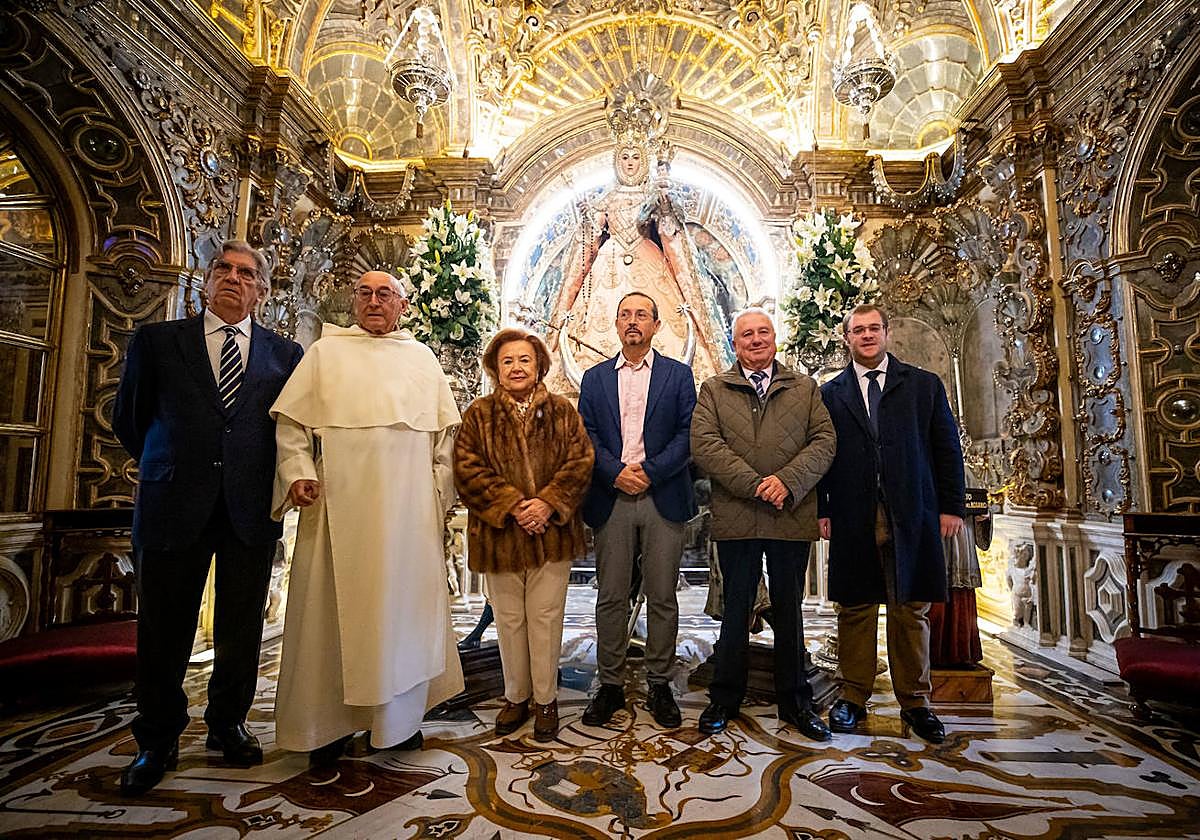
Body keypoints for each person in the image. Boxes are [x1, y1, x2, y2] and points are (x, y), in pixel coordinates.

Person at [112, 240, 303, 795]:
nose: (234, 279)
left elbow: (286, 429)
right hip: (174, 500)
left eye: (248, 274)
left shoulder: (283, 354)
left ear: (262, 291)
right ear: (205, 278)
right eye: (225, 269)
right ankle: (156, 738)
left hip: (248, 505)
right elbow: (131, 419)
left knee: (242, 626)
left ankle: (227, 724)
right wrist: (171, 463)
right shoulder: (157, 342)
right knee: (165, 626)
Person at [270, 270, 464, 764]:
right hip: (336, 509)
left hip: (407, 519)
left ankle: (395, 724)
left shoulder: (422, 360)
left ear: (403, 305)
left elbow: (446, 445)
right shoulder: (323, 354)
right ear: (353, 301)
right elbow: (292, 427)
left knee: (401, 619)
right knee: (327, 618)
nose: (374, 302)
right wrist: (298, 472)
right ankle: (325, 727)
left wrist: (436, 499)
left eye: (385, 294)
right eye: (365, 293)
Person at [818, 304, 965, 744]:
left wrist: (951, 507)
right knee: (856, 608)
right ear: (846, 338)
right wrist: (823, 508)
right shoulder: (830, 393)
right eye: (858, 330)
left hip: (912, 511)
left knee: (910, 609)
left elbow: (946, 448)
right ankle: (853, 696)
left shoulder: (922, 385)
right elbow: (823, 458)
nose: (866, 336)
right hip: (853, 514)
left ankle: (916, 701)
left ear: (887, 333)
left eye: (873, 328)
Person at [690, 308, 836, 740]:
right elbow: (705, 446)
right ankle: (724, 698)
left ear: (775, 339)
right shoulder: (714, 390)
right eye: (746, 335)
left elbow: (824, 441)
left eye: (763, 333)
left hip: (790, 514)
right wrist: (756, 485)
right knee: (736, 610)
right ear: (735, 344)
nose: (755, 340)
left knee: (790, 611)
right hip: (738, 517)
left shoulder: (804, 388)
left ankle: (795, 701)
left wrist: (787, 482)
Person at [453, 328, 594, 741]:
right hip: (499, 536)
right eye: (508, 361)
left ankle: (546, 699)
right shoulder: (478, 414)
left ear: (539, 366)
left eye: (525, 360)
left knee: (546, 618)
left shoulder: (564, 413)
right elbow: (466, 469)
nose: (516, 367)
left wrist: (548, 503)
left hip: (553, 535)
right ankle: (516, 697)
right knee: (510, 620)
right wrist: (515, 505)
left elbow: (581, 461)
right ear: (496, 369)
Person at [577, 291, 697, 729]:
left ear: (655, 325)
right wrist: (614, 473)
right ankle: (609, 684)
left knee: (662, 596)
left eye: (641, 315)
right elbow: (586, 434)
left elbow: (688, 434)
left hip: (661, 494)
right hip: (613, 496)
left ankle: (660, 684)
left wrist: (648, 471)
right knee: (610, 596)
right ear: (615, 323)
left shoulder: (679, 376)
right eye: (625, 314)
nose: (633, 322)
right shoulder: (593, 379)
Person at [549, 142, 734, 382]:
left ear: (643, 162)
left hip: (648, 258)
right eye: (624, 157)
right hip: (609, 261)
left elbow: (668, 230)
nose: (629, 162)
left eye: (635, 157)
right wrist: (587, 220)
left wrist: (664, 203)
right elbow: (590, 239)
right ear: (617, 162)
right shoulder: (606, 200)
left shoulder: (652, 196)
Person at [928, 462, 993, 667]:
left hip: (962, 542)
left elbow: (980, 503)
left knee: (960, 600)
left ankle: (961, 654)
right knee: (933, 601)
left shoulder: (965, 471)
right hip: (934, 540)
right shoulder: (922, 466)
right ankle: (930, 655)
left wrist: (985, 517)